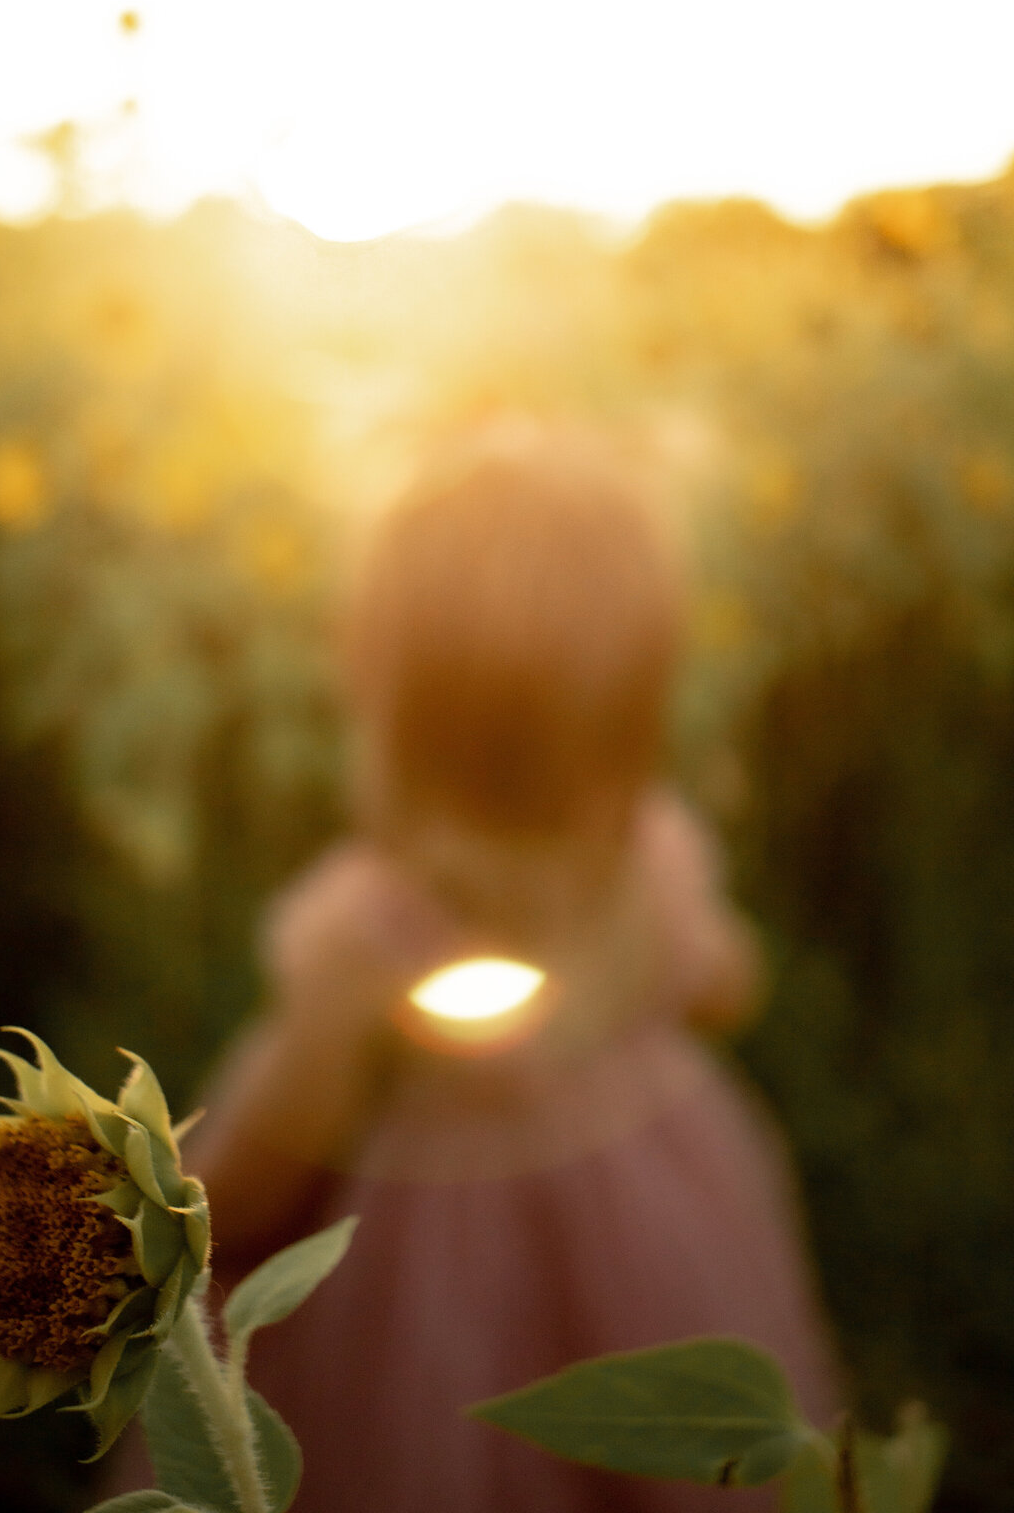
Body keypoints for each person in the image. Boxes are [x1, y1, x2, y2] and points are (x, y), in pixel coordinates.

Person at [150, 420, 840, 1510]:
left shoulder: (366, 935)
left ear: (386, 718)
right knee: (681, 1452)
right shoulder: (651, 862)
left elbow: (254, 1186)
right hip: (669, 1251)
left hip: (406, 1304)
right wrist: (632, 994)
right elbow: (728, 981)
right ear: (630, 732)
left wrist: (165, 1214)